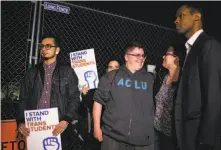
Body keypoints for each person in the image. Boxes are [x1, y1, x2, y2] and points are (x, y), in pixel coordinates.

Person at [16, 35, 80, 150]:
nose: (44, 49)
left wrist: (66, 120)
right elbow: (23, 98)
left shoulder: (68, 71)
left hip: (58, 126)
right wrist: (21, 121)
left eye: (48, 46)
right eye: (42, 46)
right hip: (35, 127)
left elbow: (75, 97)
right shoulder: (32, 72)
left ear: (57, 50)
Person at [174, 4, 221, 150]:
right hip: (185, 134)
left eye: (181, 15)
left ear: (196, 16)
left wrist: (206, 141)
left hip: (198, 137)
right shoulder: (187, 50)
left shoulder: (209, 45)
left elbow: (213, 96)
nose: (176, 20)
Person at [93, 42, 154, 150]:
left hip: (142, 140)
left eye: (142, 55)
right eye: (136, 55)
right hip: (113, 137)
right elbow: (98, 101)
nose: (141, 58)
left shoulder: (150, 79)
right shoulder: (112, 76)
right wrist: (96, 127)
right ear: (126, 57)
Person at [153, 44, 185, 150]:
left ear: (176, 58)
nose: (163, 57)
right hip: (156, 131)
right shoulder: (162, 77)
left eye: (166, 54)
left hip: (173, 137)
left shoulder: (185, 82)